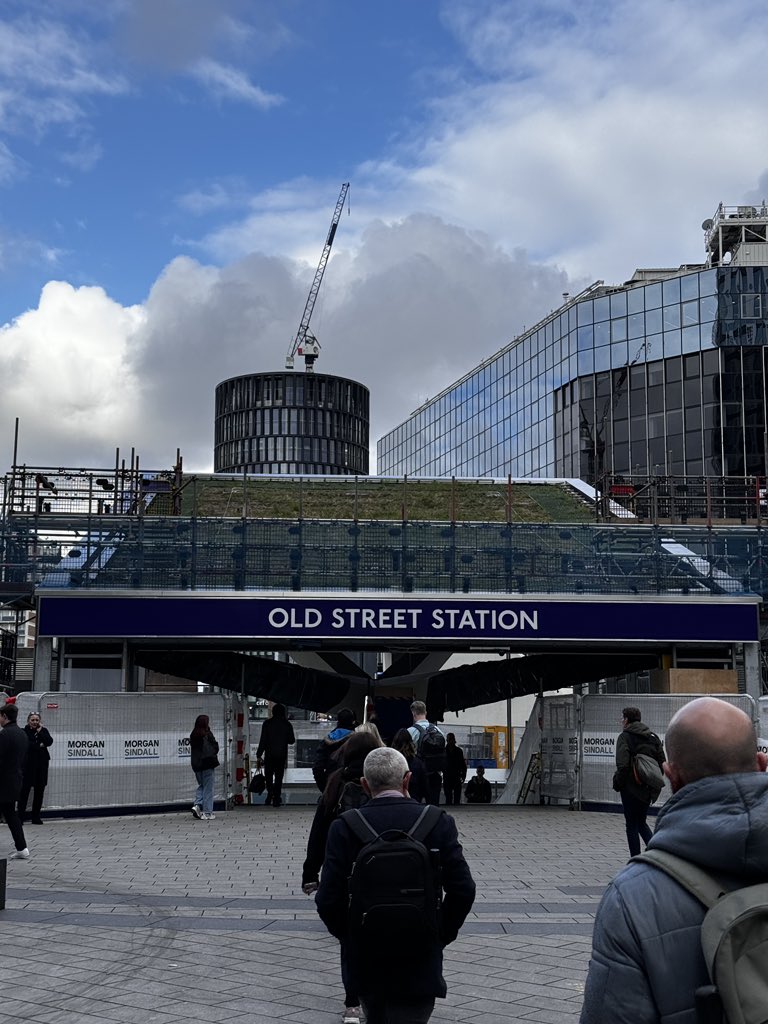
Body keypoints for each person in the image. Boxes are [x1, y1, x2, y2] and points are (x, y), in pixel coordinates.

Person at [580, 696, 768, 1024]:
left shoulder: (631, 899)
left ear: (672, 777)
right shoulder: (651, 738)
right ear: (762, 762)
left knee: (632, 824)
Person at [316, 747, 476, 1023]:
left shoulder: (345, 826)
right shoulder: (437, 821)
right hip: (421, 951)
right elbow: (463, 889)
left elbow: (328, 898)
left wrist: (351, 935)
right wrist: (440, 933)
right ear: (407, 779)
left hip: (368, 954)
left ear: (365, 784)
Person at [302, 730, 383, 1024]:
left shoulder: (336, 781)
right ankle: (380, 990)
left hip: (346, 870)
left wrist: (310, 872)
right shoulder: (382, 781)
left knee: (349, 940)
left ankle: (352, 1004)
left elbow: (319, 831)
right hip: (381, 869)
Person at [613, 706, 665, 856]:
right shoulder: (653, 737)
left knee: (631, 825)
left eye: (622, 718)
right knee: (641, 822)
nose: (622, 721)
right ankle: (658, 854)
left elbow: (622, 765)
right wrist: (649, 780)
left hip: (630, 787)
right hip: (647, 788)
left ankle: (635, 859)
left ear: (627, 720)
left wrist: (618, 783)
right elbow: (662, 763)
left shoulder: (624, 737)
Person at [0, 703, 31, 859]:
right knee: (11, 815)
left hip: (2, 782)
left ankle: (22, 848)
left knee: (10, 814)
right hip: (15, 780)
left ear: (5, 716)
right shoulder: (22, 734)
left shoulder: (5, 734)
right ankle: (22, 848)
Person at [256, 703, 295, 807]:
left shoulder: (267, 723)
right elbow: (292, 740)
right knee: (279, 777)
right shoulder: (287, 724)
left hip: (269, 755)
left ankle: (269, 795)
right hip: (281, 755)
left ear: (273, 712)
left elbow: (263, 740)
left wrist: (259, 754)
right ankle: (277, 798)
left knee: (268, 777)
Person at [18, 711, 54, 824]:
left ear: (40, 721)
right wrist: (40, 745)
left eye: (37, 720)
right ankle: (20, 817)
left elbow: (49, 741)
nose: (35, 722)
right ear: (28, 721)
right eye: (32, 720)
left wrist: (40, 733)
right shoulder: (24, 731)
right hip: (28, 766)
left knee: (39, 791)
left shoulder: (43, 731)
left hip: (41, 766)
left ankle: (36, 817)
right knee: (24, 792)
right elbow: (28, 745)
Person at [407, 700, 445, 806]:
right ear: (426, 713)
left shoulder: (410, 732)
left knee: (414, 806)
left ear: (413, 714)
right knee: (434, 807)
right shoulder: (439, 731)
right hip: (435, 774)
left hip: (416, 775)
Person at [313, 708, 356, 791]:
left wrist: (325, 789)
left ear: (338, 721)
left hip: (332, 783)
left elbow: (317, 768)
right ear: (353, 721)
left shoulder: (328, 739)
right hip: (354, 785)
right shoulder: (360, 739)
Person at [189, 714, 219, 820]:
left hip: (197, 765)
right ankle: (207, 812)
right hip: (207, 763)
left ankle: (197, 805)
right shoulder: (207, 734)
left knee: (202, 785)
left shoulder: (193, 734)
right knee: (208, 788)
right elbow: (215, 747)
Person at [390, 727, 428, 803]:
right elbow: (425, 787)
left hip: (394, 801)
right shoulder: (418, 762)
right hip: (414, 801)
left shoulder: (390, 761)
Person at [442, 733, 466, 805]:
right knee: (449, 797)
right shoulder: (446, 751)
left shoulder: (446, 751)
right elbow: (463, 765)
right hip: (449, 776)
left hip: (454, 776)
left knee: (455, 797)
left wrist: (463, 775)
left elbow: (462, 764)